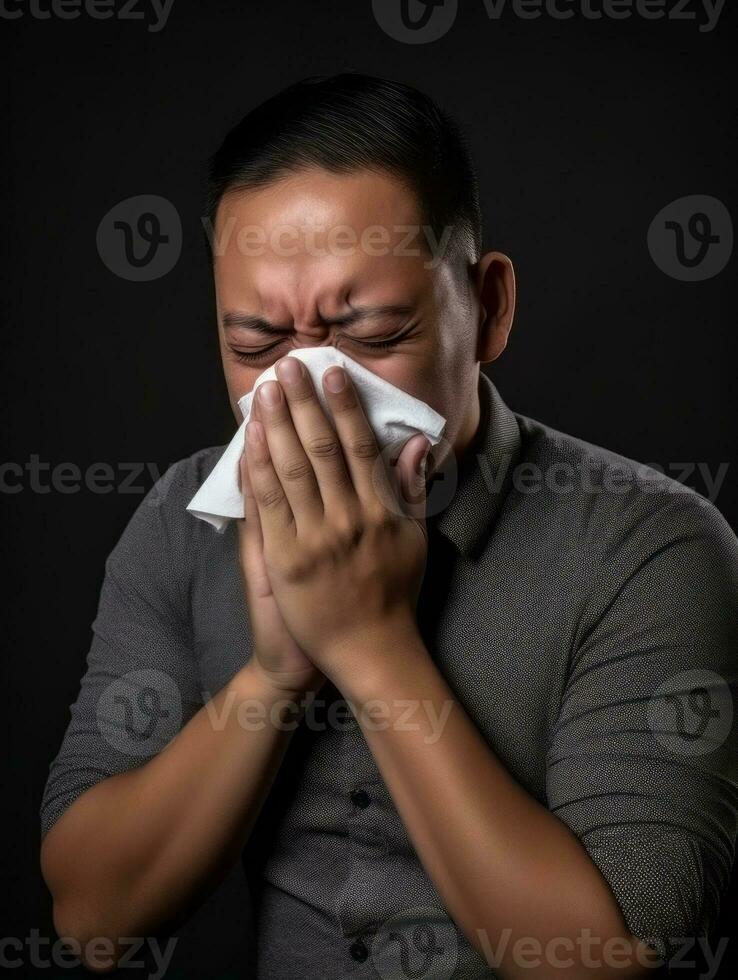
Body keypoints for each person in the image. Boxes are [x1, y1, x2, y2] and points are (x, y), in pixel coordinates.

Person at [40, 73, 738, 979]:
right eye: (256, 347)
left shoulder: (654, 548)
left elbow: (607, 959)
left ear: (487, 308)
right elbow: (93, 917)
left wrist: (369, 643)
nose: (310, 394)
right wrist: (277, 672)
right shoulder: (182, 525)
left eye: (370, 337)